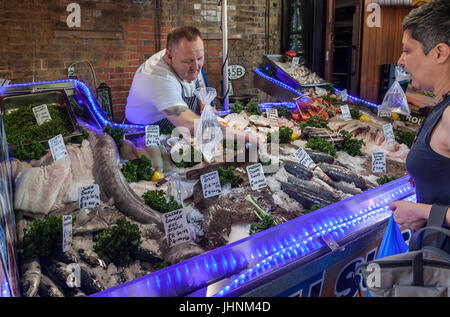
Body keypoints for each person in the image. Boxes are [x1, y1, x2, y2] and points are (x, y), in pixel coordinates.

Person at [125, 26, 261, 150]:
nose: (196, 67)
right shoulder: (158, 78)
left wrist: (204, 104)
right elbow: (188, 123)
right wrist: (242, 136)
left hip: (175, 131)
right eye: (188, 61)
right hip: (144, 137)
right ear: (169, 56)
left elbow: (198, 77)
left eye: (200, 58)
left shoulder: (185, 55)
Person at [389, 0, 450, 248]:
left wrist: (422, 212)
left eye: (407, 50)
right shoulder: (441, 104)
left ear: (440, 52)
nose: (401, 61)